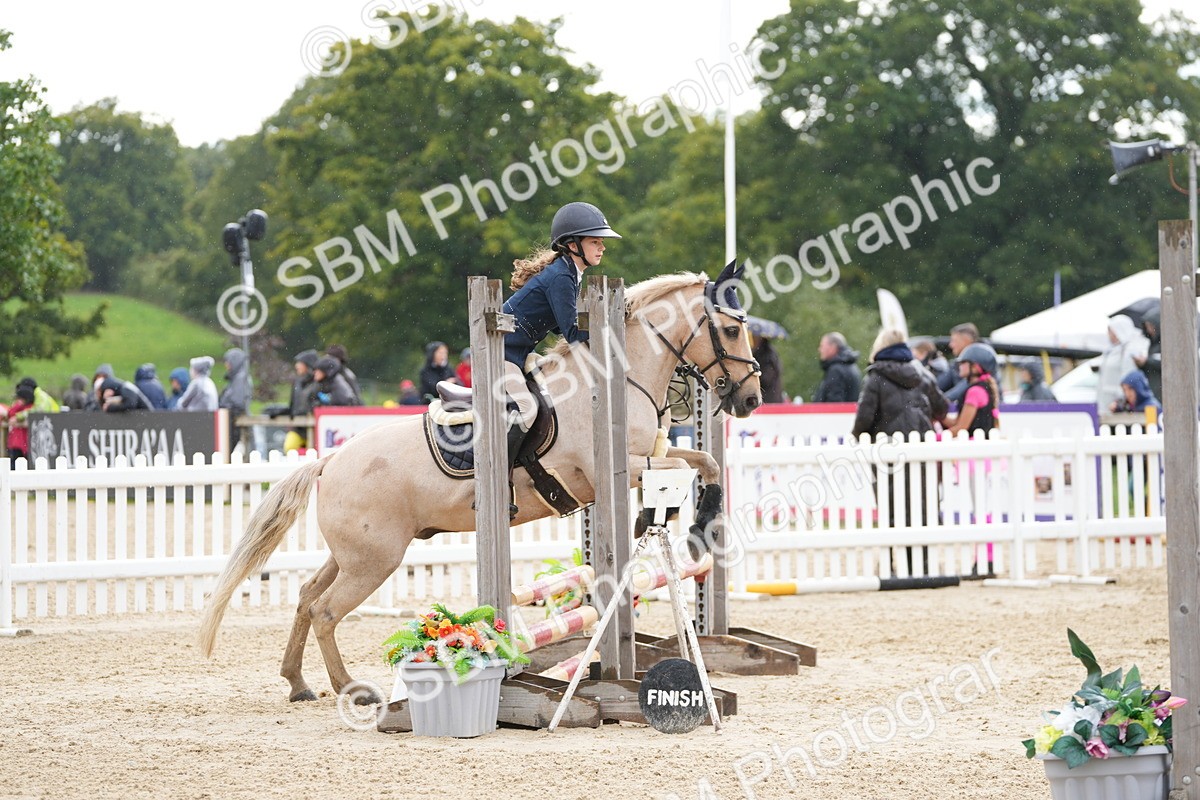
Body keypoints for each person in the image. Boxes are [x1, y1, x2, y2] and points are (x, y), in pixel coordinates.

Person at [502, 201, 622, 515]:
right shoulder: (561, 277)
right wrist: (606, 324)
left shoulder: (569, 274)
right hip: (500, 353)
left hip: (519, 354)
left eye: (601, 242)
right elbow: (572, 333)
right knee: (526, 408)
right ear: (572, 245)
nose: (602, 247)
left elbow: (559, 324)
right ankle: (497, 480)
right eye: (595, 241)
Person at [851, 329, 949, 576]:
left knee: (891, 508)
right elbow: (942, 408)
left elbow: (864, 417)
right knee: (923, 506)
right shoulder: (923, 374)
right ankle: (922, 563)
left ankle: (893, 563)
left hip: (888, 453)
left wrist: (858, 436)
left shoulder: (876, 377)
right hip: (921, 451)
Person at [1096, 314, 1150, 416]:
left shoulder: (1129, 349)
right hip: (1105, 401)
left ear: (1119, 330)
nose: (1109, 334)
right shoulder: (1112, 350)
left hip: (1117, 403)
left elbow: (1128, 378)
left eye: (1111, 331)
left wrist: (1121, 401)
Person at [946, 343, 1001, 435]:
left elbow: (961, 428)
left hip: (973, 442)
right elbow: (957, 422)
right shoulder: (984, 387)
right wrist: (940, 415)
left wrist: (936, 437)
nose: (960, 366)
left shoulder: (975, 391)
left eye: (963, 363)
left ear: (975, 367)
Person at [283, 350, 319, 453]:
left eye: (300, 363)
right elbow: (292, 405)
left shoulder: (318, 382)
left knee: (314, 453)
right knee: (289, 448)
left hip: (314, 427)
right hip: (297, 427)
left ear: (308, 365)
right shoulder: (297, 382)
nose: (296, 366)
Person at [812, 332, 861, 402]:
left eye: (822, 346)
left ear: (833, 347)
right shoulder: (853, 367)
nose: (819, 349)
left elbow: (834, 403)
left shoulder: (836, 371)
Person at [937, 323, 979, 403]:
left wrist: (939, 402)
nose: (950, 345)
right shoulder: (957, 363)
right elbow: (939, 384)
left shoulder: (982, 361)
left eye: (954, 341)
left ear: (966, 341)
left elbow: (965, 385)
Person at [220, 348, 253, 449]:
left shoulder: (240, 379)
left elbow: (238, 403)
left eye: (228, 362)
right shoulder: (236, 379)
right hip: (232, 422)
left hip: (235, 423)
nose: (226, 365)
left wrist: (224, 407)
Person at [752, 334, 786, 403]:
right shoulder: (765, 353)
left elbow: (766, 378)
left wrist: (752, 374)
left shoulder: (767, 355)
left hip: (769, 400)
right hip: (771, 398)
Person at [6, 384, 35, 460]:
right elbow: (10, 414)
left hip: (25, 442)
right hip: (16, 443)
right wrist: (18, 405)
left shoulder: (30, 408)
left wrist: (17, 423)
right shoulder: (19, 407)